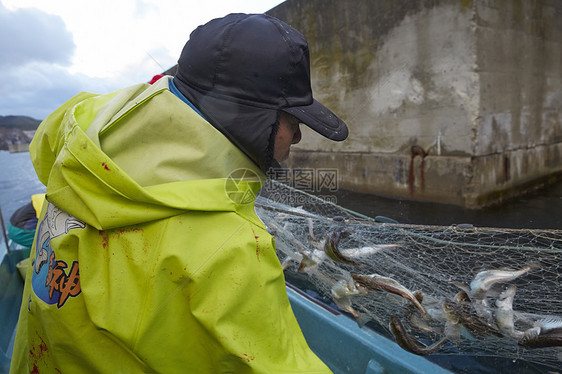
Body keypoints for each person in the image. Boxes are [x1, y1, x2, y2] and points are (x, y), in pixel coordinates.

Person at [10, 13, 348, 373]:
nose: (296, 137)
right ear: (252, 120)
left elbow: (45, 147)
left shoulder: (77, 124)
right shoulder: (231, 249)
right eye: (292, 122)